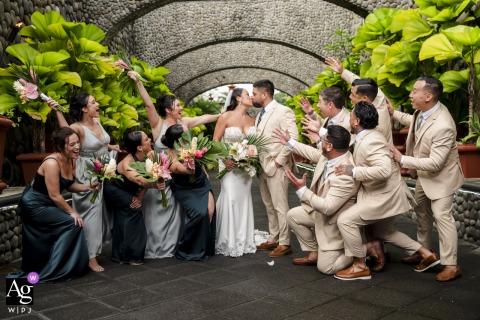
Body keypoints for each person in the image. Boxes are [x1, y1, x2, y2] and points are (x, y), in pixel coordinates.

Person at [334, 102, 438, 281]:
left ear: (357, 121)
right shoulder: (366, 135)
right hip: (386, 193)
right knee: (384, 233)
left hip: (384, 196)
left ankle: (359, 265)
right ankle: (426, 254)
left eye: (350, 116)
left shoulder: (371, 140)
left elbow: (383, 171)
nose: (348, 119)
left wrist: (353, 171)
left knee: (345, 220)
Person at [129, 72, 220, 259]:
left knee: (183, 213)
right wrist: (138, 81)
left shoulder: (183, 123)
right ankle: (162, 248)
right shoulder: (157, 124)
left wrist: (225, 114)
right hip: (165, 172)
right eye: (178, 105)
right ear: (168, 109)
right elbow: (148, 104)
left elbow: (205, 119)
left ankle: (190, 244)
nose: (181, 107)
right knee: (161, 212)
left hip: (187, 174)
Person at [388, 76, 464, 282]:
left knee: (442, 217)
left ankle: (452, 265)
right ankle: (424, 252)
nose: (411, 95)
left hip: (441, 178)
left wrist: (402, 158)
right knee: (421, 211)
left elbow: (436, 163)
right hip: (424, 176)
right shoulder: (423, 111)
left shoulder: (444, 125)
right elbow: (415, 123)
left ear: (428, 96)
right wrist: (394, 113)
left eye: (415, 91)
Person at [8, 128, 96, 282]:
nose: (77, 147)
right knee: (73, 223)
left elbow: (69, 185)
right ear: (61, 147)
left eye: (78, 142)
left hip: (48, 202)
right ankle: (56, 269)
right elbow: (55, 195)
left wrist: (89, 186)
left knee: (72, 224)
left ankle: (62, 265)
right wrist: (72, 212)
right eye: (72, 144)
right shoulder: (51, 163)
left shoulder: (71, 159)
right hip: (34, 205)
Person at [273, 125, 360, 274]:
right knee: (293, 215)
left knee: (326, 268)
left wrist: (302, 190)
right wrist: (289, 142)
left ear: (330, 146)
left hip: (333, 223)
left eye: (323, 139)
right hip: (319, 213)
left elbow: (328, 208)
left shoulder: (345, 174)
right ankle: (314, 253)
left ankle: (361, 250)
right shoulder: (332, 156)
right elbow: (311, 152)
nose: (320, 140)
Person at [51, 93, 121, 272]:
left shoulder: (97, 121)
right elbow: (66, 134)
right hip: (88, 172)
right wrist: (58, 110)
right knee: (92, 212)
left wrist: (111, 147)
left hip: (105, 168)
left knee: (105, 211)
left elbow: (101, 143)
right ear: (84, 108)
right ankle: (91, 257)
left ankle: (95, 249)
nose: (97, 104)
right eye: (93, 102)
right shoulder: (78, 127)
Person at [252, 79, 299, 257]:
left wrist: (279, 161)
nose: (252, 96)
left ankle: (285, 242)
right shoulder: (260, 114)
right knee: (269, 204)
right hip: (261, 166)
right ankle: (273, 238)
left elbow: (292, 139)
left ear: (264, 94)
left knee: (280, 205)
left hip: (277, 166)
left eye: (254, 93)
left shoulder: (283, 111)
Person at [103, 131, 165, 265]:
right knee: (134, 210)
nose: (150, 140)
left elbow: (147, 180)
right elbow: (142, 181)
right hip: (115, 189)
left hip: (130, 189)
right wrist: (157, 182)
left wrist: (140, 197)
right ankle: (133, 256)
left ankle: (119, 255)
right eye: (147, 139)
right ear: (139, 147)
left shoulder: (151, 154)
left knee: (123, 215)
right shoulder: (128, 164)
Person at [162, 124, 216, 261]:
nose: (191, 134)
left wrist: (204, 172)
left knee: (209, 211)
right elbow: (177, 167)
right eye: (187, 133)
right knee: (200, 213)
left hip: (201, 183)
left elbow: (200, 159)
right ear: (179, 140)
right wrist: (187, 170)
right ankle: (188, 248)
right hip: (185, 188)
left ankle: (204, 246)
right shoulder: (171, 155)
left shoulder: (191, 145)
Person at [213, 87, 256, 257]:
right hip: (229, 166)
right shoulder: (226, 116)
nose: (251, 97)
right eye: (247, 94)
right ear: (238, 98)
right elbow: (215, 141)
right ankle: (227, 240)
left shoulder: (253, 120)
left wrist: (250, 158)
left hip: (245, 169)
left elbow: (254, 145)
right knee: (230, 198)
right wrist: (225, 158)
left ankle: (242, 239)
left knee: (243, 200)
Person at [325, 57, 393, 144]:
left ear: (364, 98)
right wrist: (342, 71)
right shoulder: (375, 93)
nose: (350, 96)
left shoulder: (376, 122)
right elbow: (359, 82)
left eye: (353, 95)